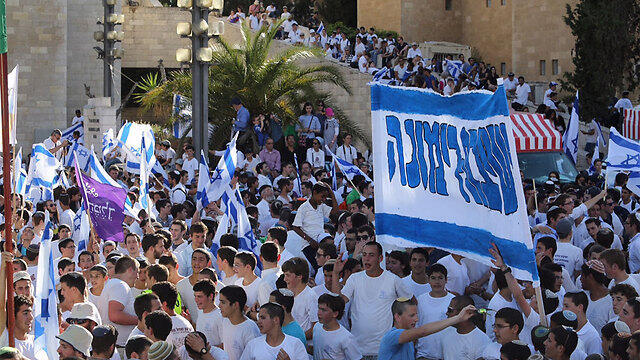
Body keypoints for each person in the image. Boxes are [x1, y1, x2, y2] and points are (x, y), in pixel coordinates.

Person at [332, 241, 412, 358]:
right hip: (358, 350)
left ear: (380, 258)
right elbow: (338, 302)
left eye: (371, 255)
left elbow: (411, 303)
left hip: (384, 350)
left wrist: (400, 330)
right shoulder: (354, 278)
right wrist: (335, 273)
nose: (366, 259)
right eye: (364, 254)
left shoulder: (393, 280)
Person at [377, 297, 477, 360]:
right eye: (411, 315)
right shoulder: (392, 336)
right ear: (397, 317)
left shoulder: (408, 339)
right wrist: (458, 318)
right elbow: (422, 331)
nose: (416, 319)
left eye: (416, 314)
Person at [101, 256, 139, 348]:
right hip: (119, 346)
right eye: (137, 272)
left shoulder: (115, 284)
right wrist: (140, 321)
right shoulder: (120, 285)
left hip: (117, 345)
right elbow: (115, 316)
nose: (137, 276)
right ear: (130, 270)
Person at [313, 293, 361, 360]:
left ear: (335, 314)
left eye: (323, 310)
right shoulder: (317, 327)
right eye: (319, 308)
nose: (319, 313)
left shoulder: (346, 338)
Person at [219, 285, 260, 360]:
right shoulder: (225, 321)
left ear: (235, 305)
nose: (219, 306)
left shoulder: (250, 329)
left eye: (223, 302)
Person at [151, 281, 194, 349]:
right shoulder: (186, 323)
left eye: (154, 299)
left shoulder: (160, 325)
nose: (151, 303)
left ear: (164, 304)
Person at [193, 279, 224, 347]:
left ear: (211, 296)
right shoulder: (200, 312)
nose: (196, 300)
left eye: (199, 296)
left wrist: (204, 350)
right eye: (195, 296)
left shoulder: (221, 316)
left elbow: (225, 345)